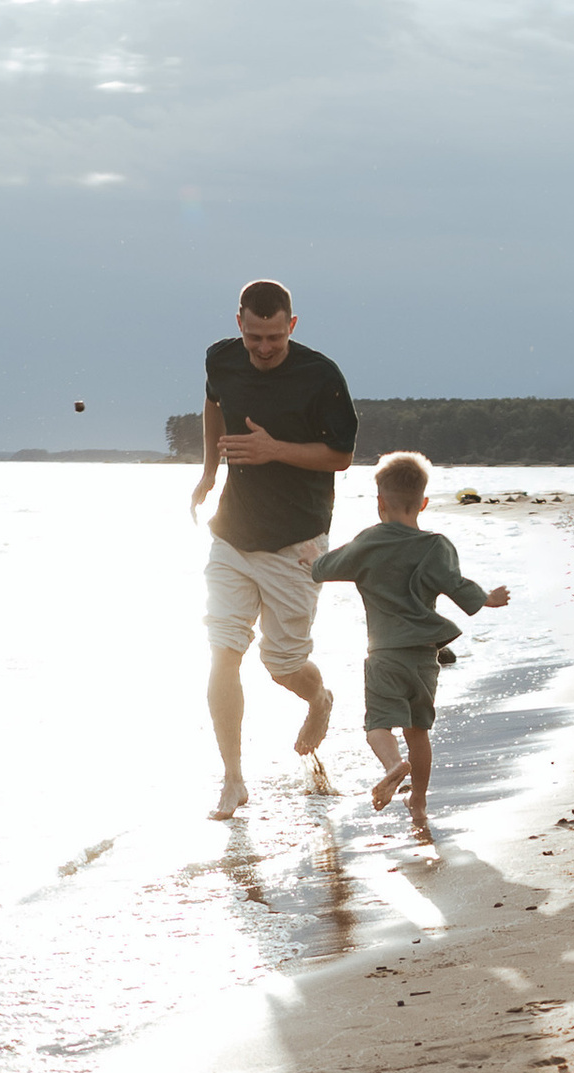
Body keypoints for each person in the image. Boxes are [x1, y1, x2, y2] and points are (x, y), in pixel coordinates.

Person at [190, 280, 359, 819]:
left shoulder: (321, 376)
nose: (263, 348)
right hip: (232, 533)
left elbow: (341, 456)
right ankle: (233, 777)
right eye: (255, 336)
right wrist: (209, 472)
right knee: (223, 650)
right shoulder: (221, 358)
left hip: (296, 541)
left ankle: (318, 698)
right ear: (239, 321)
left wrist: (273, 450)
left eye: (274, 338)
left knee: (283, 665)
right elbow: (213, 403)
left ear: (292, 325)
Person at [310, 451, 508, 849]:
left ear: (379, 502)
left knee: (378, 726)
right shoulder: (436, 546)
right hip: (424, 658)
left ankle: (391, 764)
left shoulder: (369, 542)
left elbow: (325, 569)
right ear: (424, 503)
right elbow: (457, 585)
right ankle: (418, 803)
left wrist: (309, 560)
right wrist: (488, 598)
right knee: (419, 732)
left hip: (383, 653)